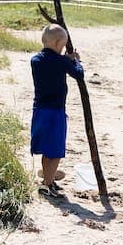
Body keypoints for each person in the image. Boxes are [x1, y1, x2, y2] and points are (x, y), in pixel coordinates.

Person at [30, 24, 84, 198]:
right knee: (55, 151)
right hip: (55, 112)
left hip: (39, 110)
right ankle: (47, 185)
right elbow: (78, 74)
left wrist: (65, 59)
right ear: (58, 42)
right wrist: (75, 60)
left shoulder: (36, 60)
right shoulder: (62, 62)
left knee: (47, 148)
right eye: (63, 45)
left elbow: (51, 63)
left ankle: (49, 180)